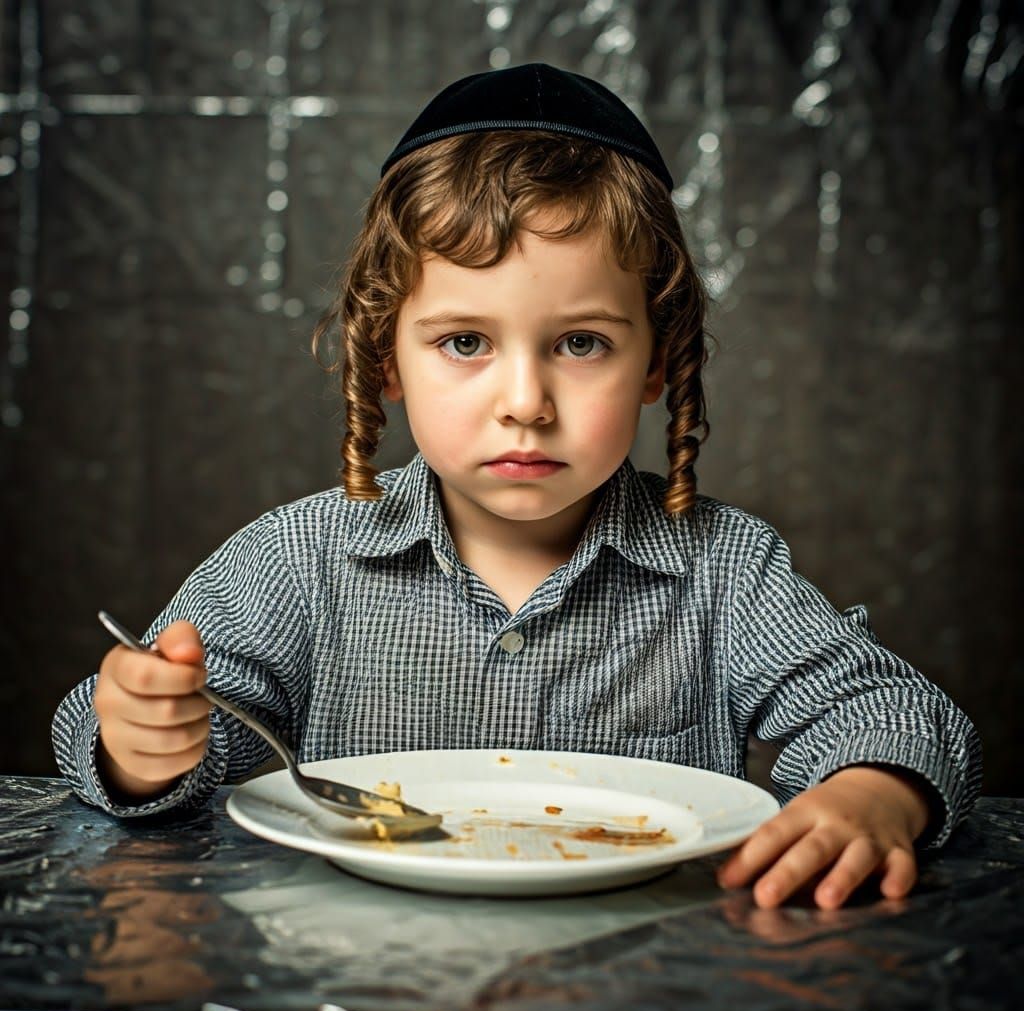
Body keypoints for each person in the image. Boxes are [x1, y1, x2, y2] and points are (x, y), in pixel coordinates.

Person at [52, 63, 981, 910]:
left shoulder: (726, 570)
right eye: (465, 343)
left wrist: (874, 793)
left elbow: (892, 709)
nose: (526, 404)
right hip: (352, 967)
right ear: (386, 362)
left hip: (646, 973)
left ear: (657, 362)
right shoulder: (298, 559)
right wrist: (139, 746)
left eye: (581, 344)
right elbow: (155, 736)